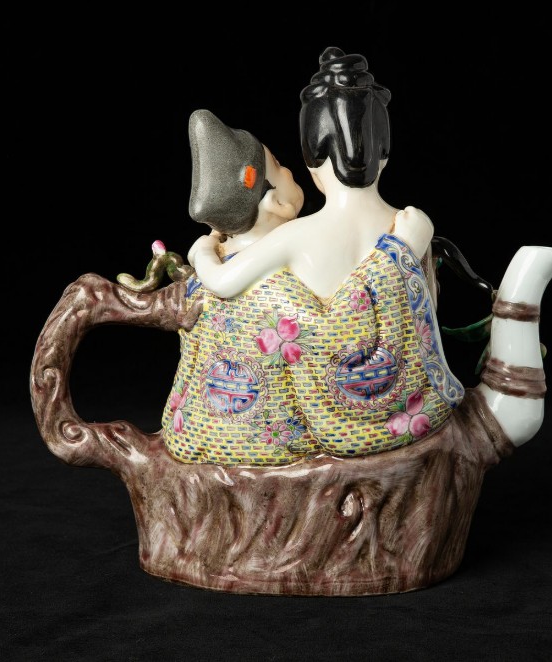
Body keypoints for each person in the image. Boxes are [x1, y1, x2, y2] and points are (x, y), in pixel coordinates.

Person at [191, 47, 464, 460]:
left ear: (312, 162)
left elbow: (224, 282)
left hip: (330, 415)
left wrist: (201, 251)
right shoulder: (413, 227)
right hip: (409, 407)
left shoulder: (295, 236)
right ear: (385, 152)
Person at [160, 109, 325, 465]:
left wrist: (204, 249)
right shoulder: (279, 266)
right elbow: (224, 283)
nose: (289, 170)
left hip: (199, 432)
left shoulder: (212, 266)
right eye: (280, 166)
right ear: (277, 202)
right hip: (269, 446)